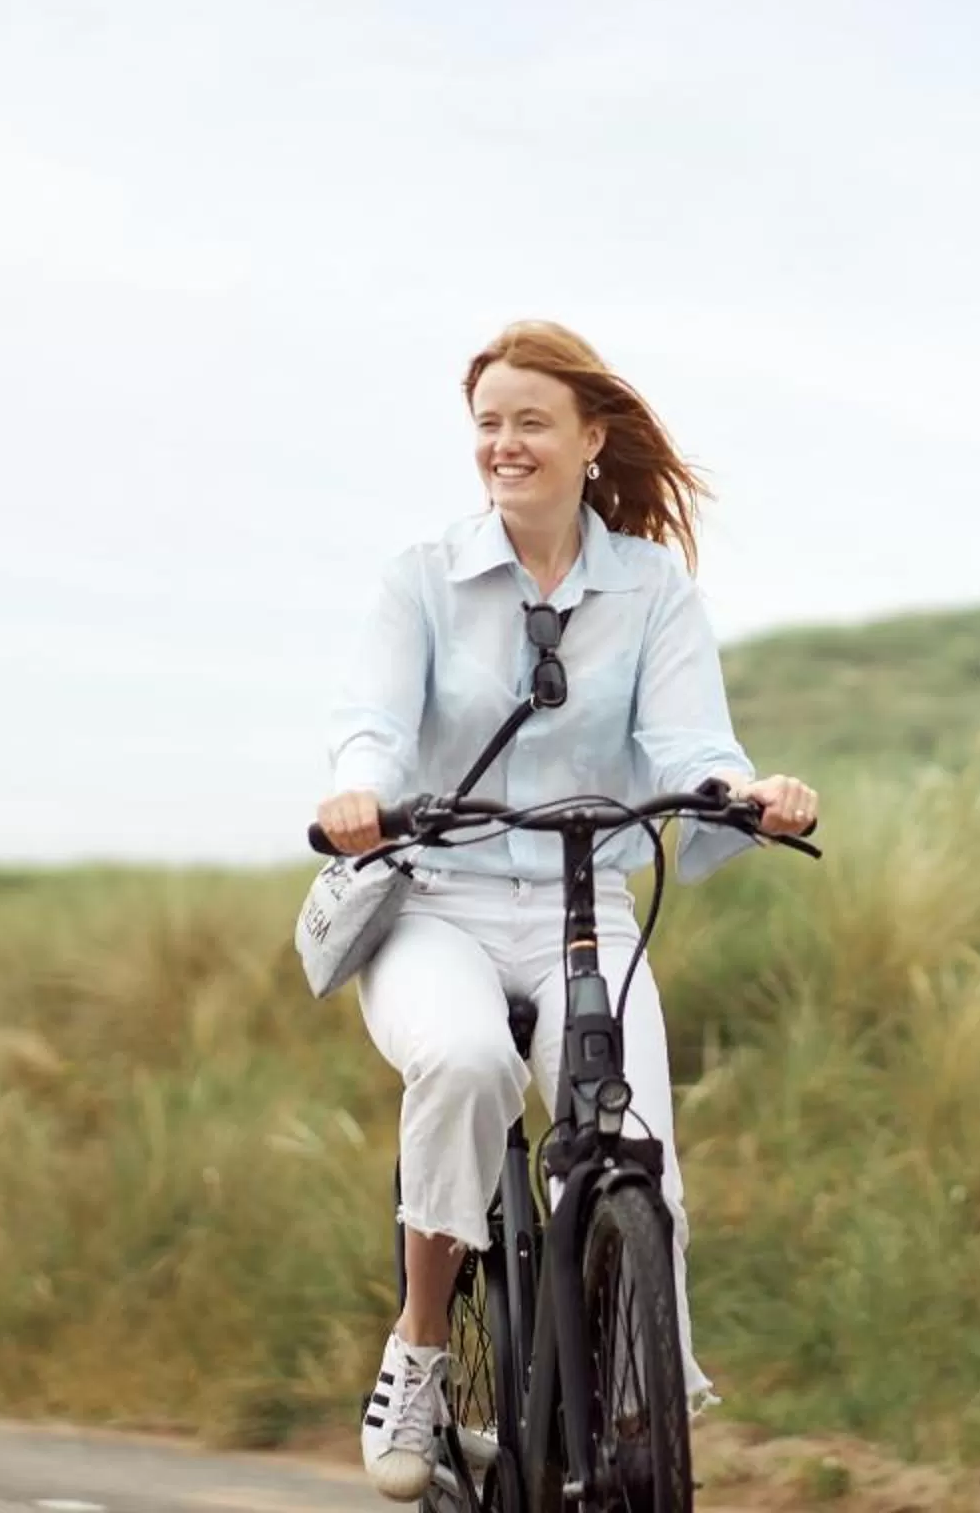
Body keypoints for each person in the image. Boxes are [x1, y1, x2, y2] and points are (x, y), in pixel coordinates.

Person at [314, 320, 818, 1501]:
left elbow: (695, 745)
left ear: (591, 439)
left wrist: (747, 795)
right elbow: (374, 725)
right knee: (467, 1060)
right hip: (436, 895)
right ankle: (423, 1348)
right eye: (487, 421)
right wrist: (361, 793)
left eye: (529, 420)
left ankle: (634, 1406)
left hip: (588, 903)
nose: (504, 442)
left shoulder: (651, 589)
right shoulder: (422, 577)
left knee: (637, 1137)